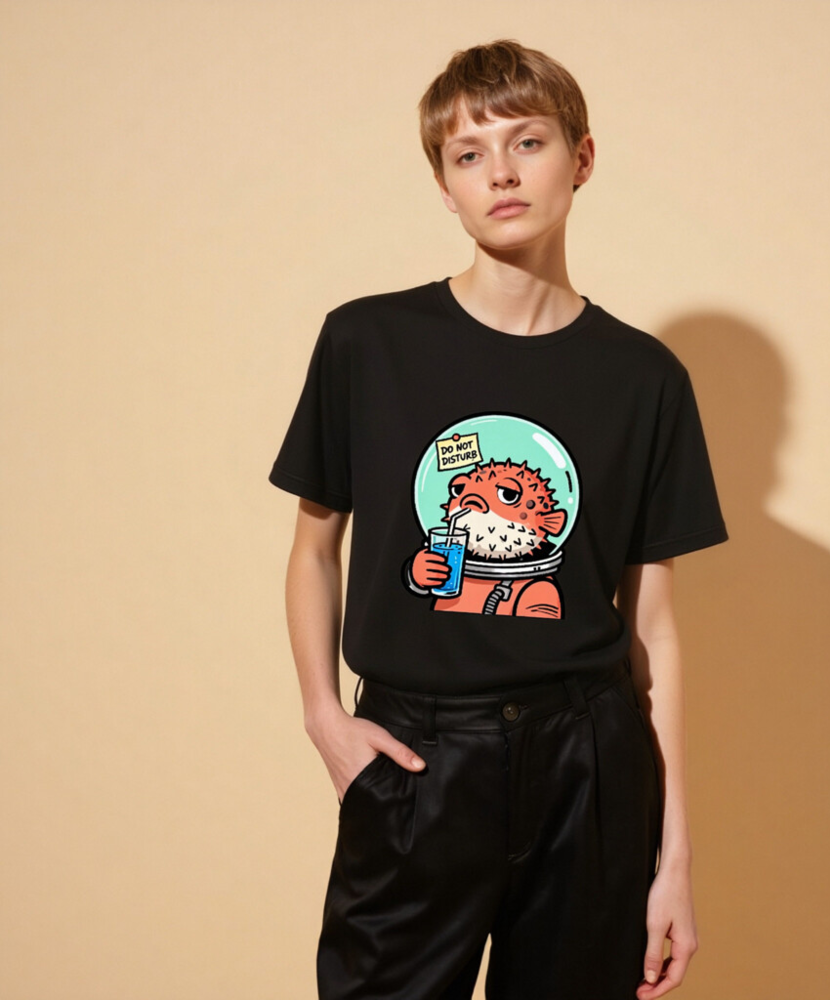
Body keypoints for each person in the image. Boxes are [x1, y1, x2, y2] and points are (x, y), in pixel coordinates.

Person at [269, 39, 727, 1000]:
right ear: (444, 185)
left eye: (528, 142)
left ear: (582, 158)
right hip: (417, 756)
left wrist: (673, 857)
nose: (502, 174)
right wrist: (325, 717)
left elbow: (655, 626)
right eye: (469, 155)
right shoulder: (368, 342)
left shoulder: (644, 379)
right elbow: (313, 549)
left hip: (589, 761)